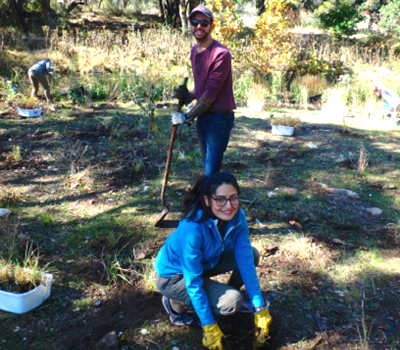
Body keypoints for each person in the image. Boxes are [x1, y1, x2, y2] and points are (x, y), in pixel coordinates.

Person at [154, 172, 272, 350]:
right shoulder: (192, 228)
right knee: (232, 301)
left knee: (252, 255)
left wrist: (260, 308)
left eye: (233, 198)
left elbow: (246, 261)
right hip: (174, 277)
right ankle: (174, 302)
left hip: (204, 263)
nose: (228, 206)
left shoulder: (237, 217)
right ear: (207, 200)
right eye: (220, 199)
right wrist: (209, 326)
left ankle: (221, 295)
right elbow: (192, 282)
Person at [171, 5, 236, 176]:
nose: (199, 26)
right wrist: (189, 96)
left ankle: (211, 200)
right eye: (195, 22)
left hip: (219, 118)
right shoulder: (194, 51)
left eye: (204, 23)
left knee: (210, 170)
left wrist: (186, 117)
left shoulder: (221, 54)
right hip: (204, 115)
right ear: (190, 25)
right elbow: (203, 87)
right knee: (205, 162)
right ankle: (209, 198)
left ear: (211, 26)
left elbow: (210, 95)